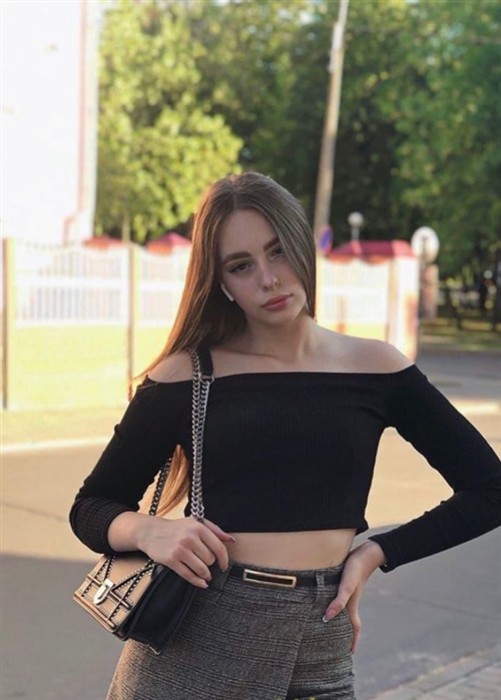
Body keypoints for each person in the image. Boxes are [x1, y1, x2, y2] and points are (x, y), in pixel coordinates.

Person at [70, 172, 501, 700]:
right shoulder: (187, 374)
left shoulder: (377, 368)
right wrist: (148, 531)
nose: (268, 279)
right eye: (241, 266)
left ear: (303, 246)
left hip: (323, 634)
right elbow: (91, 506)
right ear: (221, 282)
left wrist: (376, 553)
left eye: (277, 252)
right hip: (200, 640)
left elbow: (490, 490)